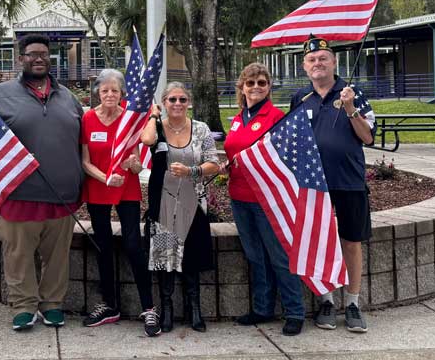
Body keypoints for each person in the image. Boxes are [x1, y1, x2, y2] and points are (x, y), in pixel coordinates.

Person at [0, 34, 84, 331]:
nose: (38, 58)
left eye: (44, 54)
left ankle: (52, 304)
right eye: (31, 54)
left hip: (62, 196)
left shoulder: (68, 97)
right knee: (18, 255)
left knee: (57, 257)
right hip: (18, 195)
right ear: (20, 59)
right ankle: (24, 306)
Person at [290, 35, 375, 333]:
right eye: (312, 60)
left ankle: (352, 302)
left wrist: (350, 108)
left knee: (351, 242)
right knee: (318, 243)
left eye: (323, 58)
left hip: (348, 181)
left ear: (334, 62)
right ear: (304, 65)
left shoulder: (354, 93)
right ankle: (326, 299)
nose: (317, 63)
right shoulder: (300, 98)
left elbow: (368, 137)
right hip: (313, 185)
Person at [222, 63, 305, 336]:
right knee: (256, 256)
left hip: (267, 199)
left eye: (261, 83)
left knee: (279, 256)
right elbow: (236, 151)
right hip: (239, 196)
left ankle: (294, 311)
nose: (256, 87)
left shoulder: (276, 117)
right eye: (250, 83)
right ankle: (262, 308)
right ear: (241, 88)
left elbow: (286, 158)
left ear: (269, 87)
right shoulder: (237, 119)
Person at [80, 69, 160, 337]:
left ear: (122, 93)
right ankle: (109, 305)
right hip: (99, 187)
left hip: (127, 189)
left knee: (133, 245)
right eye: (105, 90)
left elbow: (136, 161)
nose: (110, 95)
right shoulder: (88, 119)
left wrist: (134, 165)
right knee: (102, 245)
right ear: (98, 93)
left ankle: (149, 307)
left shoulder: (129, 119)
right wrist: (105, 178)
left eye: (115, 90)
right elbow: (85, 161)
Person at [140, 82, 219, 332]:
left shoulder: (200, 129)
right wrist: (154, 116)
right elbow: (146, 139)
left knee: (192, 257)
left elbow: (214, 163)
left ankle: (194, 309)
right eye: (172, 99)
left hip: (192, 201)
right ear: (164, 102)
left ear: (189, 102)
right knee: (165, 258)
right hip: (163, 202)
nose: (177, 104)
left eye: (182, 99)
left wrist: (191, 171)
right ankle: (167, 310)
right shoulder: (157, 128)